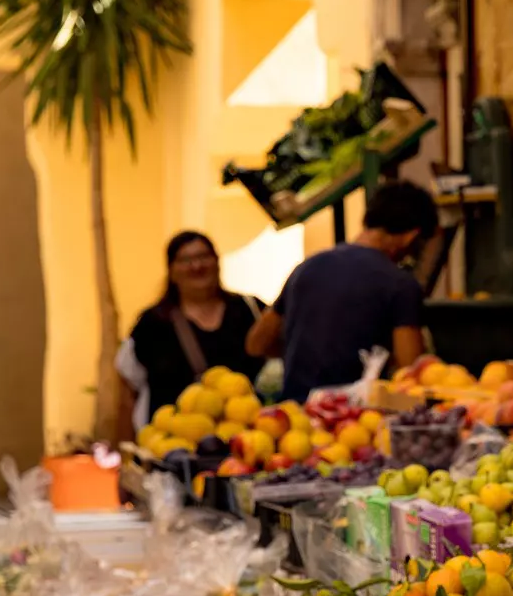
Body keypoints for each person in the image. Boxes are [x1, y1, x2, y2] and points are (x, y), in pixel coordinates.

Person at [248, 180, 439, 401]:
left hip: (296, 417)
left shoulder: (307, 268)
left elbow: (256, 343)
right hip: (353, 418)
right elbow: (410, 371)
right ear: (411, 237)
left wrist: (302, 351)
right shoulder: (400, 284)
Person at [120, 231, 265, 431]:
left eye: (203, 257)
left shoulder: (250, 310)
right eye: (186, 260)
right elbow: (129, 389)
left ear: (217, 261)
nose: (197, 266)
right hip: (175, 449)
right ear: (171, 270)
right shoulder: (152, 325)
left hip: (253, 440)